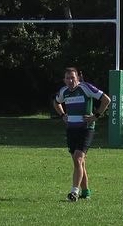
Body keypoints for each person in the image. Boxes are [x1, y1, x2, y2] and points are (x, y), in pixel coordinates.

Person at [51, 67, 110, 201]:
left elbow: (106, 100)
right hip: (71, 130)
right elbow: (56, 102)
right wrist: (62, 115)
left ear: (77, 78)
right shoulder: (64, 91)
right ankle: (86, 191)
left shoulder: (86, 88)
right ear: (64, 80)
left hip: (86, 129)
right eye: (67, 78)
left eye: (73, 77)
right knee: (79, 163)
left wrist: (96, 116)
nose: (70, 81)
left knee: (78, 158)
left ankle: (74, 192)